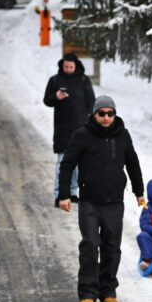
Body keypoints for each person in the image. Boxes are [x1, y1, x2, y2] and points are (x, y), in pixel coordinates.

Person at [58, 95, 144, 302]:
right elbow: (67, 164)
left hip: (114, 201)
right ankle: (87, 292)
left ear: (115, 114)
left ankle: (108, 290)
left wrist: (139, 191)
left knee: (112, 247)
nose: (106, 117)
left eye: (110, 113)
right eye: (102, 113)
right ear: (94, 114)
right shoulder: (82, 135)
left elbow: (132, 163)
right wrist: (64, 194)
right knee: (90, 245)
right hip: (89, 202)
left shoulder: (122, 135)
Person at [42, 52, 95, 207]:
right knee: (62, 162)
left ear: (76, 66)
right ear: (62, 65)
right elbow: (47, 100)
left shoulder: (84, 80)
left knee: (78, 163)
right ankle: (59, 194)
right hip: (62, 129)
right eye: (66, 66)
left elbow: (91, 103)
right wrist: (56, 97)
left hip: (81, 129)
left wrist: (91, 123)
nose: (69, 69)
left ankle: (72, 193)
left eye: (71, 67)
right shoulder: (55, 80)